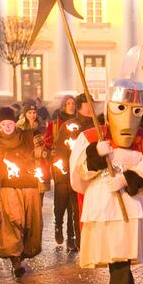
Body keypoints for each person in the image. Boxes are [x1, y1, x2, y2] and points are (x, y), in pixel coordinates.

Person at [69, 72, 143, 284]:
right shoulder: (89, 137)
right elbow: (77, 175)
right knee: (117, 252)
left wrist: (129, 178)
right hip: (103, 202)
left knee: (120, 253)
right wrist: (94, 156)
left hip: (131, 201)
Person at [0, 107, 44, 278]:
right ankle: (15, 259)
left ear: (14, 123)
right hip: (9, 188)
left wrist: (39, 143)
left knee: (29, 223)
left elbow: (39, 146)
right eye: (3, 124)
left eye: (10, 123)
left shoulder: (26, 137)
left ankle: (23, 251)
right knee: (14, 220)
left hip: (30, 186)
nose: (7, 126)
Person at [52, 94, 97, 251]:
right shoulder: (69, 126)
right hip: (72, 175)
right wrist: (62, 175)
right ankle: (74, 238)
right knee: (72, 209)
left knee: (86, 210)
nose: (91, 107)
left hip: (93, 176)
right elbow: (59, 151)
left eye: (92, 103)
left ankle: (84, 241)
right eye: (87, 104)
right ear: (80, 106)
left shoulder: (97, 125)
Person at [45, 95, 77, 245]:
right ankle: (58, 226)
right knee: (60, 201)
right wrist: (50, 153)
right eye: (68, 103)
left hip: (75, 165)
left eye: (73, 103)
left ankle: (71, 236)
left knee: (73, 204)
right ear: (63, 106)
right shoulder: (55, 124)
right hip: (60, 166)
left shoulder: (79, 123)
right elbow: (47, 141)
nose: (71, 105)